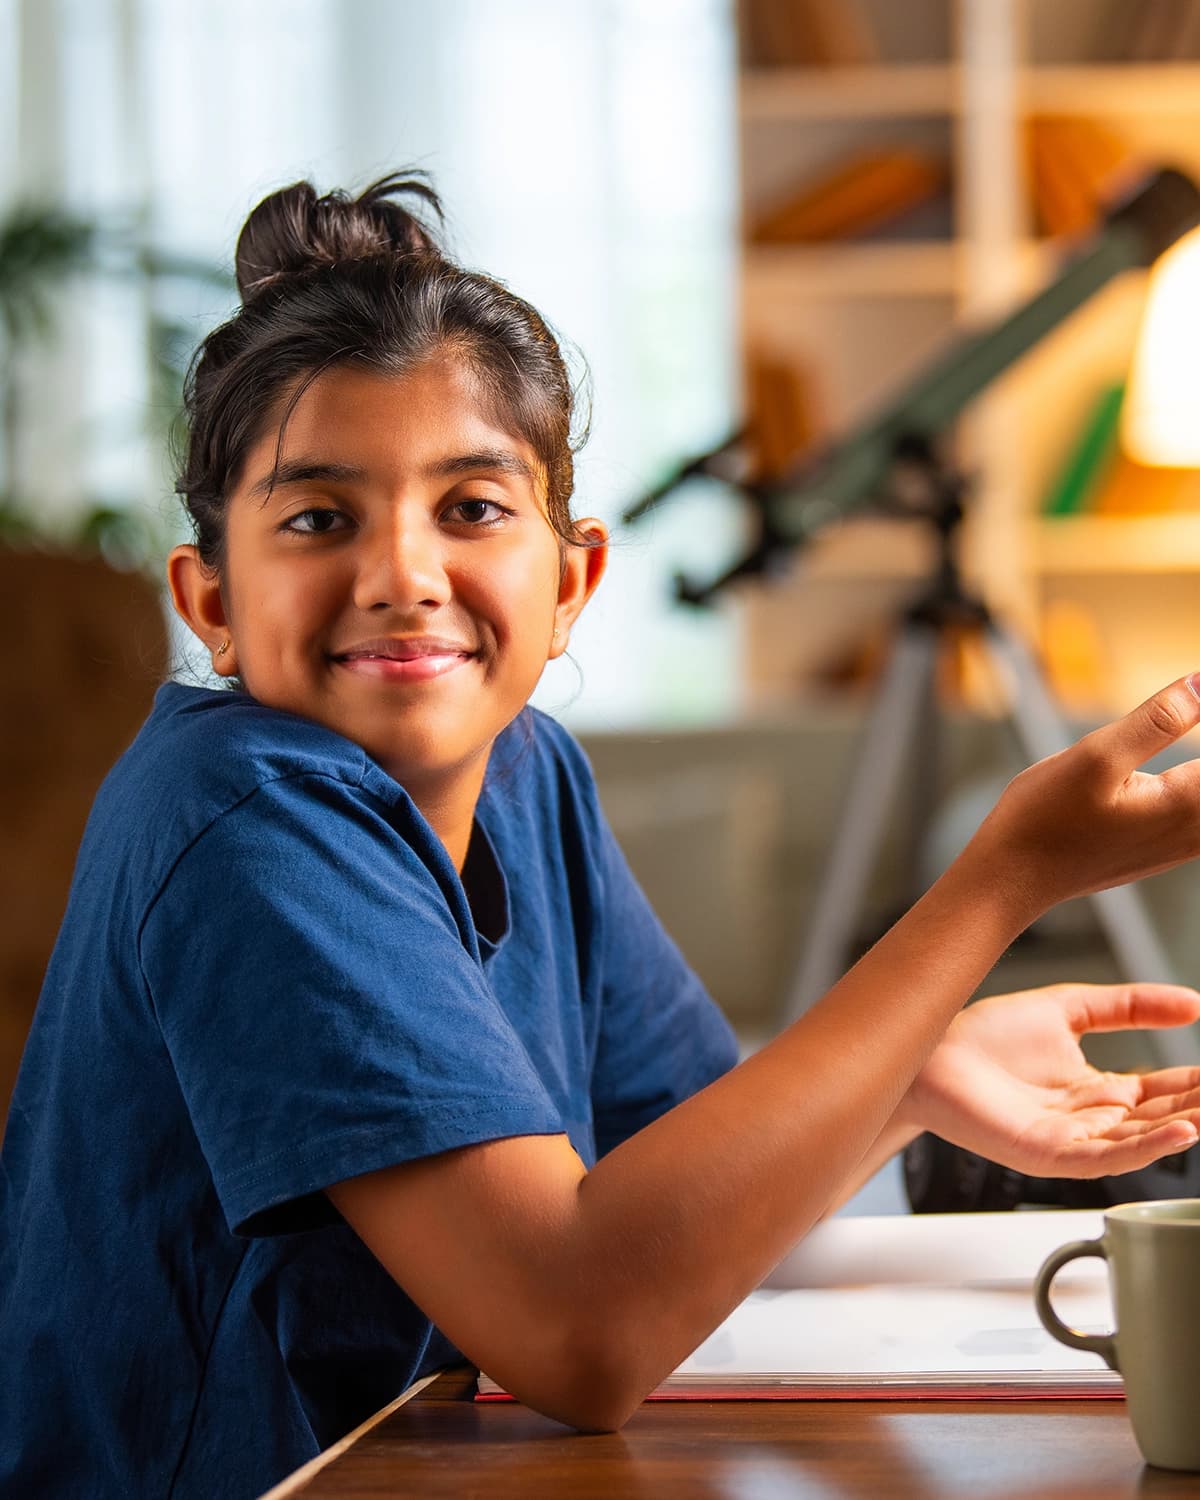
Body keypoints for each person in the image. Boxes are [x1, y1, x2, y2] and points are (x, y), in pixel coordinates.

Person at [4, 172, 1200, 1500]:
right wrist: (1005, 878)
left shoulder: (528, 769)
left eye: (471, 509)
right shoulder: (242, 816)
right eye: (317, 519)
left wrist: (916, 1068)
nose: (403, 574)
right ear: (212, 600)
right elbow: (581, 1329)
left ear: (570, 581)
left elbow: (681, 1174)